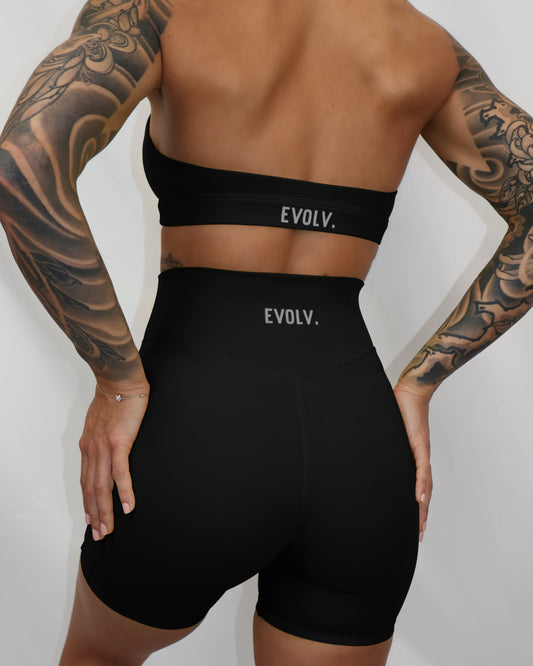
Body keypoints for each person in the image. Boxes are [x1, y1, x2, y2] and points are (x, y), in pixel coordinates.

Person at [0, 0, 531, 664]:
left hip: (197, 430)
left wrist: (117, 380)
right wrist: (420, 383)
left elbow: (24, 161)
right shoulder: (426, 47)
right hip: (359, 445)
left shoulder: (160, 10)